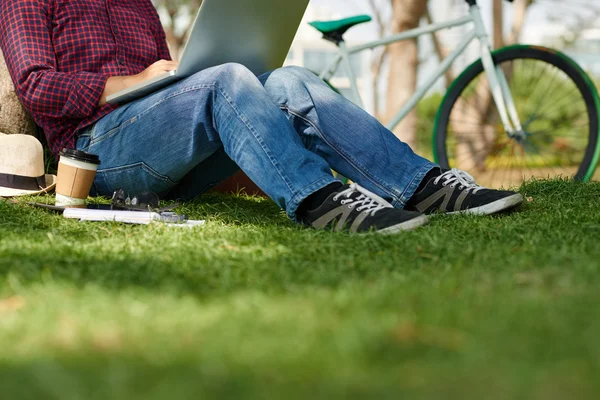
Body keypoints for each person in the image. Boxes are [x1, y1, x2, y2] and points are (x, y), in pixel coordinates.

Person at [0, 0, 523, 234]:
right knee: (225, 80)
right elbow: (39, 90)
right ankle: (323, 201)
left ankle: (423, 185)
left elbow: (173, 85)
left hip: (169, 142)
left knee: (287, 80)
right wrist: (138, 83)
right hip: (97, 152)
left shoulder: (138, 4)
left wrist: (180, 77)